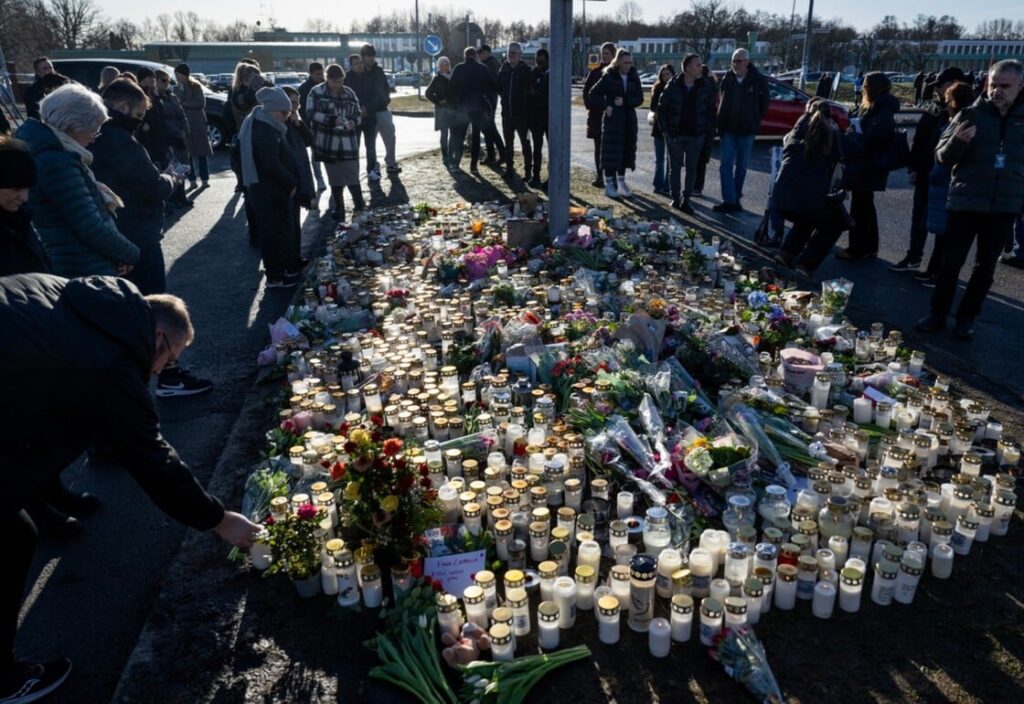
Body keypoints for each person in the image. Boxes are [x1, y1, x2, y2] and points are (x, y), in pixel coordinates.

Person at [0, 274, 258, 703]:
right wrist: (218, 519)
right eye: (169, 358)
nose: (160, 370)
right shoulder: (108, 364)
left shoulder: (84, 297)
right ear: (158, 337)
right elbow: (150, 457)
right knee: (13, 538)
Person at [917, 60, 1024, 340]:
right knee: (951, 262)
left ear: (1020, 85)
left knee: (985, 268)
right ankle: (936, 313)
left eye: (1004, 86)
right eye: (993, 85)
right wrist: (958, 142)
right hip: (965, 202)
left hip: (1004, 206)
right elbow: (941, 156)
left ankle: (966, 318)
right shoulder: (971, 114)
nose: (997, 91)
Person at [14, 84, 139, 278]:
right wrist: (131, 254)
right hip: (83, 267)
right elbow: (90, 226)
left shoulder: (49, 151)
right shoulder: (57, 162)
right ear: (72, 125)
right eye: (93, 130)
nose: (94, 138)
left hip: (76, 262)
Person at [891, 67, 966, 273]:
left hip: (946, 176)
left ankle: (936, 268)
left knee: (941, 222)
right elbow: (920, 140)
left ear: (955, 83)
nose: (938, 90)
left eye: (941, 86)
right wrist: (913, 167)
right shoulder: (934, 108)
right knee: (919, 217)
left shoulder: (964, 111)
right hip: (925, 171)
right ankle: (914, 256)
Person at [771, 99, 846, 277]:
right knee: (834, 224)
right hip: (809, 202)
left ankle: (786, 253)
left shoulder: (793, 135)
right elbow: (852, 151)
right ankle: (805, 265)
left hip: (781, 201)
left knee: (807, 218)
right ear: (829, 118)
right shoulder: (831, 138)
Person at [239, 86, 301, 288]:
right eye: (284, 112)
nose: (286, 116)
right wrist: (291, 183)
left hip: (272, 189)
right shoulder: (264, 129)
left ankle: (283, 270)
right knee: (273, 233)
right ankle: (276, 275)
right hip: (268, 190)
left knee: (278, 231)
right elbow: (270, 164)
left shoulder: (269, 123)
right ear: (273, 110)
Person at [915, 81, 976, 287]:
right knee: (943, 233)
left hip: (948, 184)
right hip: (942, 183)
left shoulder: (963, 123)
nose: (945, 102)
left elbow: (948, 155)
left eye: (948, 99)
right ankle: (934, 270)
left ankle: (938, 273)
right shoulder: (952, 119)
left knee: (947, 234)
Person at [837, 72, 899, 260]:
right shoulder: (877, 107)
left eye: (865, 86)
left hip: (869, 165)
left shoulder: (882, 110)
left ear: (873, 88)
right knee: (865, 207)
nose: (862, 89)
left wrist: (853, 135)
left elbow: (872, 140)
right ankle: (869, 247)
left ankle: (857, 248)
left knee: (860, 209)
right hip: (867, 164)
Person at [658, 54, 716, 214]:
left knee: (692, 168)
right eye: (697, 65)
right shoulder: (673, 85)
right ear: (687, 68)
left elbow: (711, 110)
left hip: (696, 135)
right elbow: (661, 109)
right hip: (675, 134)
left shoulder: (705, 85)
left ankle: (686, 200)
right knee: (675, 167)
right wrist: (665, 131)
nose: (700, 67)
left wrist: (706, 131)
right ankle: (675, 198)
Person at [714, 49, 770, 213]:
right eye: (733, 61)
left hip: (747, 130)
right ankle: (729, 200)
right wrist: (720, 125)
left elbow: (764, 103)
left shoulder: (758, 80)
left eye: (738, 61)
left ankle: (736, 198)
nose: (735, 65)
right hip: (728, 129)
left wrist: (754, 118)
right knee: (725, 165)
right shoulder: (728, 79)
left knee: (742, 166)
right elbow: (722, 102)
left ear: (747, 62)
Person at [307, 64, 364, 223]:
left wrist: (353, 122)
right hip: (327, 143)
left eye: (341, 81)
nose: (338, 85)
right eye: (335, 82)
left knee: (352, 174)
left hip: (348, 143)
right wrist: (331, 120)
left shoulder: (349, 92)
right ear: (328, 79)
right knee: (335, 177)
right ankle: (339, 208)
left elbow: (358, 113)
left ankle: (359, 205)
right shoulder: (316, 92)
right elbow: (310, 113)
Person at [587, 48, 644, 198]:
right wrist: (606, 106)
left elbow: (639, 98)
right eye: (625, 62)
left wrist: (626, 102)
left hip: (629, 120)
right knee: (611, 152)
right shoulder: (609, 76)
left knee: (625, 151)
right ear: (618, 62)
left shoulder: (633, 76)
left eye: (630, 63)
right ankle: (609, 184)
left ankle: (622, 182)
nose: (628, 66)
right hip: (613, 121)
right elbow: (593, 94)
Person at [448, 47, 503, 175]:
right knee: (476, 137)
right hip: (478, 107)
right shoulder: (483, 68)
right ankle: (473, 166)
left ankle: (456, 163)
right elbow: (493, 85)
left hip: (463, 107)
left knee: (460, 136)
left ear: (465, 56)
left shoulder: (459, 68)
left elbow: (451, 88)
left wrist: (454, 104)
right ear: (475, 56)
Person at [282, 85, 315, 264]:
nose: (296, 106)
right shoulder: (279, 122)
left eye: (298, 102)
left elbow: (309, 141)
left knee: (295, 221)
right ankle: (291, 260)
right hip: (288, 179)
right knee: (288, 223)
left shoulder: (295, 118)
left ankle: (296, 256)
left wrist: (299, 124)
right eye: (293, 103)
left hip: (298, 175)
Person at [360, 45, 399, 179]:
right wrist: (365, 107)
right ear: (363, 57)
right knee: (371, 143)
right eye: (368, 56)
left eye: (372, 56)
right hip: (369, 113)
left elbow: (386, 88)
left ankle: (391, 163)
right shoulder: (360, 72)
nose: (371, 59)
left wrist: (386, 99)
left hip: (383, 110)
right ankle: (374, 166)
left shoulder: (379, 71)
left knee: (390, 138)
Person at [174, 63, 214, 190]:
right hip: (184, 124)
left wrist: (185, 103)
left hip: (197, 123)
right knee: (188, 154)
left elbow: (201, 103)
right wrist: (181, 91)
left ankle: (205, 179)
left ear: (184, 74)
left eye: (178, 74)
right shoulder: (176, 89)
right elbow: (176, 103)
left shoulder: (196, 86)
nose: (177, 77)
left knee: (202, 152)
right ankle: (192, 180)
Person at [497, 43, 533, 180]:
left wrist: (524, 103)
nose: (510, 55)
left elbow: (530, 91)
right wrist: (504, 100)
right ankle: (510, 170)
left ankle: (528, 172)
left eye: (513, 52)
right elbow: (499, 87)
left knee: (525, 143)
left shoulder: (526, 70)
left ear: (519, 54)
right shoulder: (503, 70)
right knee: (508, 144)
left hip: (522, 115)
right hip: (507, 113)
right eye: (509, 52)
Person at [583, 42, 616, 187]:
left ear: (613, 55)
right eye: (603, 53)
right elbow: (586, 92)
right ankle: (599, 176)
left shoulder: (616, 72)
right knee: (599, 148)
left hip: (613, 116)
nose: (604, 56)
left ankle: (612, 177)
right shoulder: (595, 72)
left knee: (612, 149)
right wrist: (592, 106)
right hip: (596, 116)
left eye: (607, 53)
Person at [298, 62, 327, 193]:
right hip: (312, 126)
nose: (320, 76)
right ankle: (319, 179)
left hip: (327, 125)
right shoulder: (304, 89)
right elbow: (302, 110)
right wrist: (307, 126)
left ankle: (332, 178)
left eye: (321, 73)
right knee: (316, 154)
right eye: (317, 74)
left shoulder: (326, 86)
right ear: (310, 74)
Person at [649, 63, 675, 197]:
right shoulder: (658, 88)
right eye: (663, 75)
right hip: (658, 129)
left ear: (673, 74)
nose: (666, 77)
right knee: (659, 159)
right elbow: (653, 107)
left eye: (668, 74)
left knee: (670, 160)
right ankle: (658, 184)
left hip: (672, 129)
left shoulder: (676, 88)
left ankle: (667, 185)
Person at [526, 48, 550, 189]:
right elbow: (528, 92)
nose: (539, 62)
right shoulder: (534, 73)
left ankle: (550, 177)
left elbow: (541, 92)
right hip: (536, 117)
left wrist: (536, 92)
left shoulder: (551, 74)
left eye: (541, 59)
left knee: (551, 149)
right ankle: (536, 176)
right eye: (537, 59)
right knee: (537, 148)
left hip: (548, 116)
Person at [692, 65, 717, 197]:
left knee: (699, 159)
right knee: (696, 160)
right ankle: (694, 186)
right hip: (700, 127)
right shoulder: (703, 84)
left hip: (704, 128)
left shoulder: (706, 85)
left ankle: (696, 187)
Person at [425, 57, 455, 168]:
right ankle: (445, 155)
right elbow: (428, 93)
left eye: (446, 64)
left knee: (453, 133)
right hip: (442, 110)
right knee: (444, 134)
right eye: (442, 65)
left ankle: (451, 154)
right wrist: (438, 101)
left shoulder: (453, 77)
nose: (444, 66)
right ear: (439, 66)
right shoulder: (437, 79)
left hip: (453, 110)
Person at [478, 45, 503, 165]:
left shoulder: (491, 64)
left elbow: (493, 83)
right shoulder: (489, 63)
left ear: (487, 52)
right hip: (488, 98)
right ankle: (492, 155)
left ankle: (502, 154)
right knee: (487, 128)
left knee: (490, 128)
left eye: (481, 52)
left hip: (489, 99)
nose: (479, 55)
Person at [23, 57, 53, 121]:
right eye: (45, 68)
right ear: (38, 72)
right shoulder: (32, 91)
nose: (49, 71)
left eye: (50, 67)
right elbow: (34, 112)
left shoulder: (61, 85)